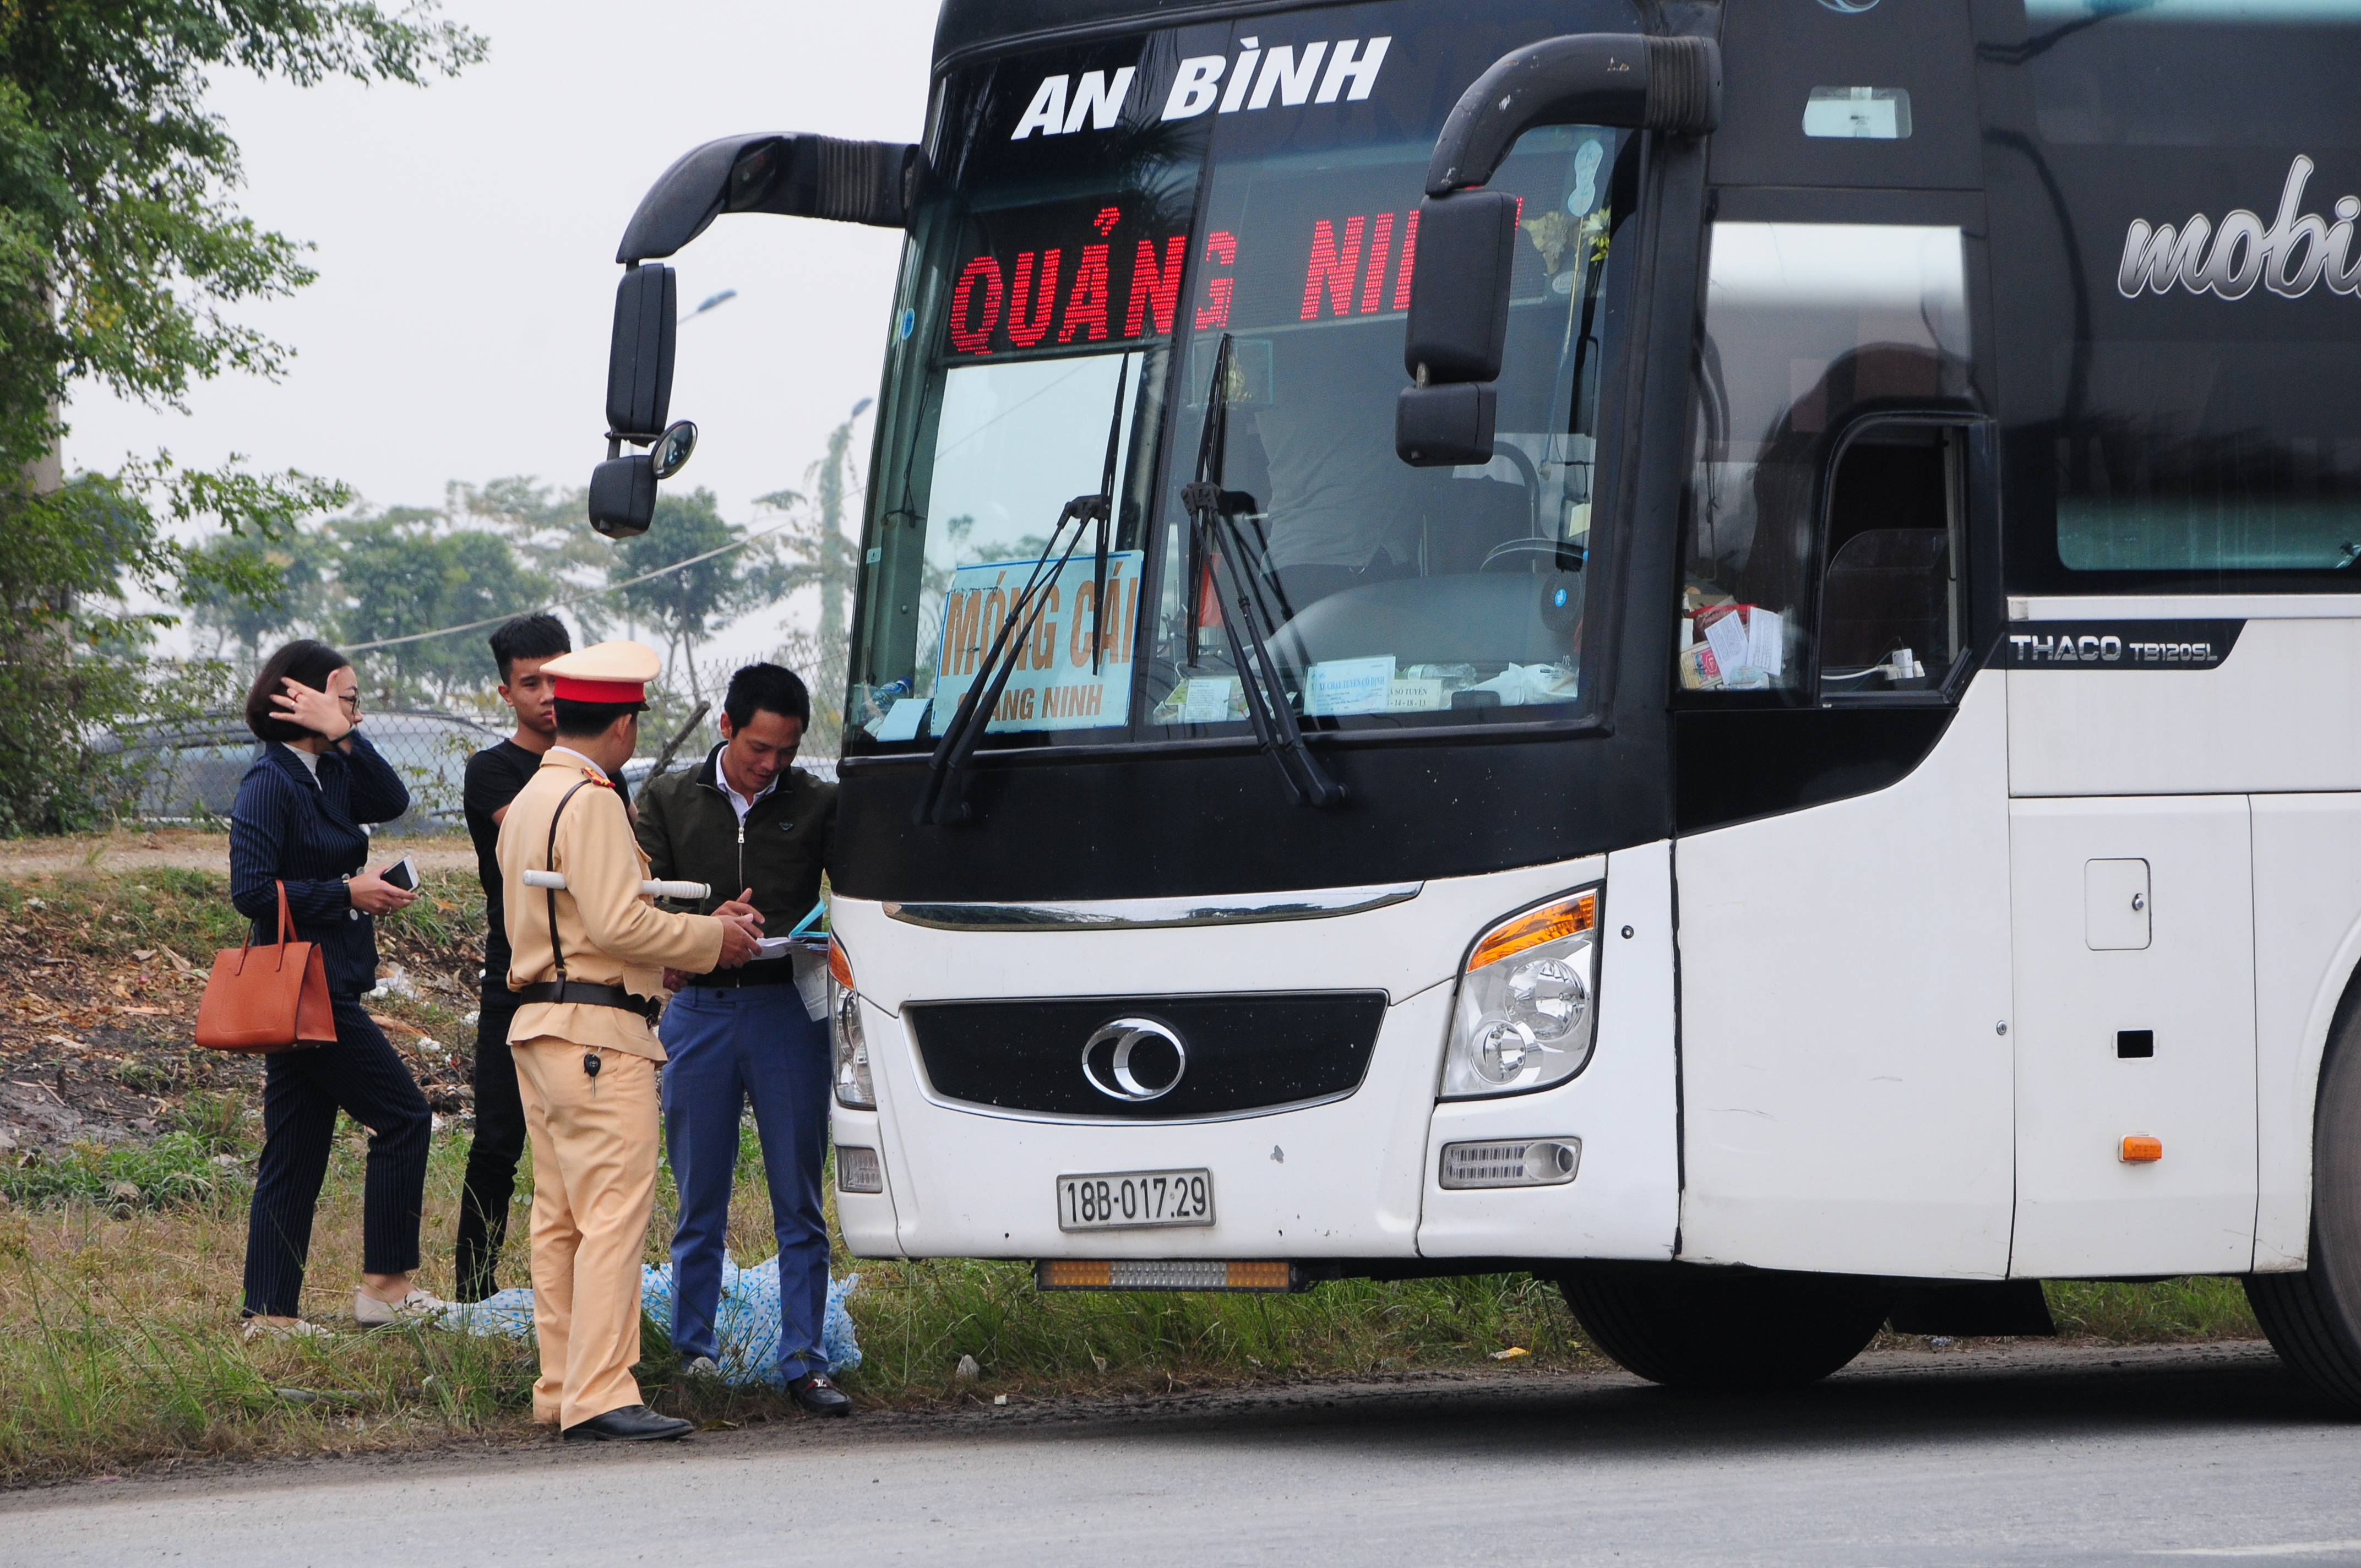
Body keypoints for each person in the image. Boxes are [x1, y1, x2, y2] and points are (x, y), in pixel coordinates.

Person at [495, 640, 764, 1443]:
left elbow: (582, 924)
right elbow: (618, 920)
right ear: (623, 726)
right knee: (613, 1216)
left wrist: (657, 960)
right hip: (597, 1036)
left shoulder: (532, 798)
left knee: (562, 1218)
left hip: (543, 1025)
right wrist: (708, 940)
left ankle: (561, 1385)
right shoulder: (594, 800)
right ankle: (604, 1391)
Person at [635, 663, 847, 1416]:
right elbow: (640, 905)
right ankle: (694, 1351)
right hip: (698, 1011)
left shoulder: (818, 804)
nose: (771, 765)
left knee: (800, 1196)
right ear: (726, 727)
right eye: (760, 747)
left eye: (786, 751)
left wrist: (819, 937)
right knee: (700, 1194)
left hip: (786, 1010)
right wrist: (705, 929)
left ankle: (806, 1359)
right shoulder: (665, 798)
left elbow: (853, 893)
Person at [229, 639, 443, 1336]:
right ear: (304, 699)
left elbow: (393, 798)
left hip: (330, 981)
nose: (356, 711)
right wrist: (344, 891)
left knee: (294, 1152)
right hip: (302, 988)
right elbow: (253, 891)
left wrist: (346, 733)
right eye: (347, 697)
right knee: (405, 1116)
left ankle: (270, 1314)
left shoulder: (329, 772)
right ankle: (385, 1287)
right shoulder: (269, 782)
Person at [454, 612, 571, 1302]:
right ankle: (474, 1289)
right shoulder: (492, 772)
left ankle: (570, 1290)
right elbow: (545, 840)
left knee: (577, 1151)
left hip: (589, 983)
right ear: (506, 694)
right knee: (499, 1142)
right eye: (531, 684)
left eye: (558, 679)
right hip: (514, 982)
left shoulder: (599, 772)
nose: (547, 695)